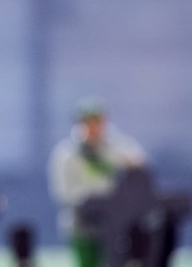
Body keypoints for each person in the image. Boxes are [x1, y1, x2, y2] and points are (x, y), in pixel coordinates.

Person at [47, 97, 146, 267]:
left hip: (116, 224)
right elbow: (64, 192)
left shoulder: (115, 148)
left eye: (97, 122)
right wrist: (92, 199)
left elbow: (137, 161)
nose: (93, 128)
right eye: (88, 122)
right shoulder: (67, 155)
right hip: (83, 226)